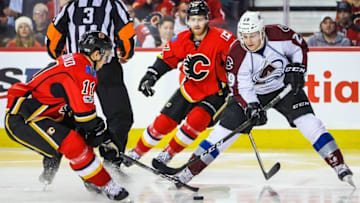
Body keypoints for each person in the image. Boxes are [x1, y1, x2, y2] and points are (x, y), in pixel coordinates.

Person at [174, 11, 355, 188]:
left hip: (285, 87)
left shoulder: (280, 34)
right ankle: (188, 172)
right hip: (252, 93)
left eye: (253, 35)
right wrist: (251, 107)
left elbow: (300, 48)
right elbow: (241, 87)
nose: (249, 41)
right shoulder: (236, 55)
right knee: (221, 135)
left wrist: (298, 69)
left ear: (262, 32)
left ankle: (339, 166)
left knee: (311, 124)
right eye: (244, 36)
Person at [4, 31, 129, 201]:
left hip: (43, 113)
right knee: (73, 143)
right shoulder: (85, 71)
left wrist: (97, 134)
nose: (106, 61)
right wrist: (104, 136)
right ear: (95, 54)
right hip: (25, 118)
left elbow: (78, 112)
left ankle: (63, 176)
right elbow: (85, 115)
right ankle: (106, 185)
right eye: (105, 55)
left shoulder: (75, 61)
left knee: (80, 135)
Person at [124, 1, 236, 169]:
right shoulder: (182, 38)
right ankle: (136, 153)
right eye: (193, 19)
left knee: (195, 122)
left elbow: (238, 65)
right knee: (162, 123)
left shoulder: (223, 39)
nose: (196, 23)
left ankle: (166, 155)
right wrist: (151, 76)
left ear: (207, 19)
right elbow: (167, 60)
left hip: (215, 93)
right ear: (187, 20)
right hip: (189, 89)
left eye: (200, 19)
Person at [45, 0, 135, 184]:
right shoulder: (113, 4)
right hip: (106, 67)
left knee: (66, 117)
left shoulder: (70, 7)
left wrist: (60, 56)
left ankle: (49, 168)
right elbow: (126, 33)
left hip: (74, 68)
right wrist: (126, 53)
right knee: (120, 116)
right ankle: (112, 165)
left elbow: (53, 38)